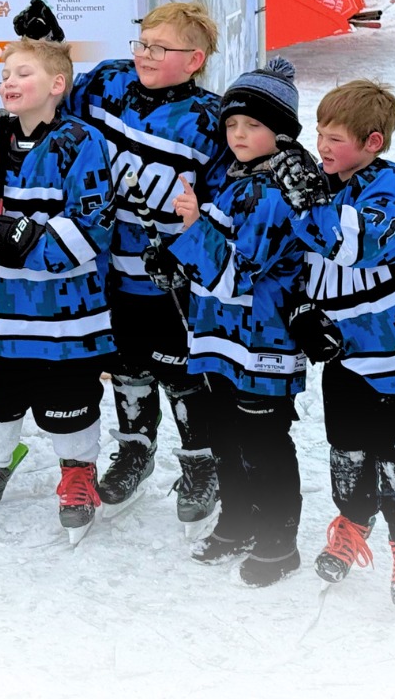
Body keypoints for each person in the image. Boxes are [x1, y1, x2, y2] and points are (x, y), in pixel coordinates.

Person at [0, 37, 116, 536]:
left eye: (22, 73)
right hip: (7, 306)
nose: (8, 82)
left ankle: (78, 473)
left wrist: (27, 239)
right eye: (5, 75)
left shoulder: (82, 142)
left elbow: (95, 224)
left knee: (69, 406)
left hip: (65, 312)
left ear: (57, 85)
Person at [270, 80, 395, 613]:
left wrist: (309, 198)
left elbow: (352, 243)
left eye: (335, 137)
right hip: (344, 357)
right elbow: (297, 256)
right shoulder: (324, 183)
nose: (322, 145)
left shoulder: (393, 188)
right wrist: (300, 311)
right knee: (349, 450)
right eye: (318, 133)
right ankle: (352, 520)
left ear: (373, 142)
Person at [68, 1, 227, 526]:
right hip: (108, 268)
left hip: (171, 279)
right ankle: (135, 449)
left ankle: (202, 462)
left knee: (181, 372)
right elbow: (57, 106)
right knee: (128, 365)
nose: (144, 54)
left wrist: (189, 236)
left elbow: (228, 201)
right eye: (141, 42)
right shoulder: (108, 83)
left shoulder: (209, 120)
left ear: (195, 59)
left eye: (160, 48)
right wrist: (50, 48)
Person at [150, 58, 307, 586]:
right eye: (232, 124)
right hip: (219, 340)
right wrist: (176, 256)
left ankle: (280, 540)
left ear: (281, 132)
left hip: (263, 342)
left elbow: (239, 275)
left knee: (262, 442)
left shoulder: (273, 193)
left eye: (253, 125)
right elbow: (209, 252)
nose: (238, 134)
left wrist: (192, 230)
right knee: (225, 435)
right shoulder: (236, 178)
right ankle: (239, 519)